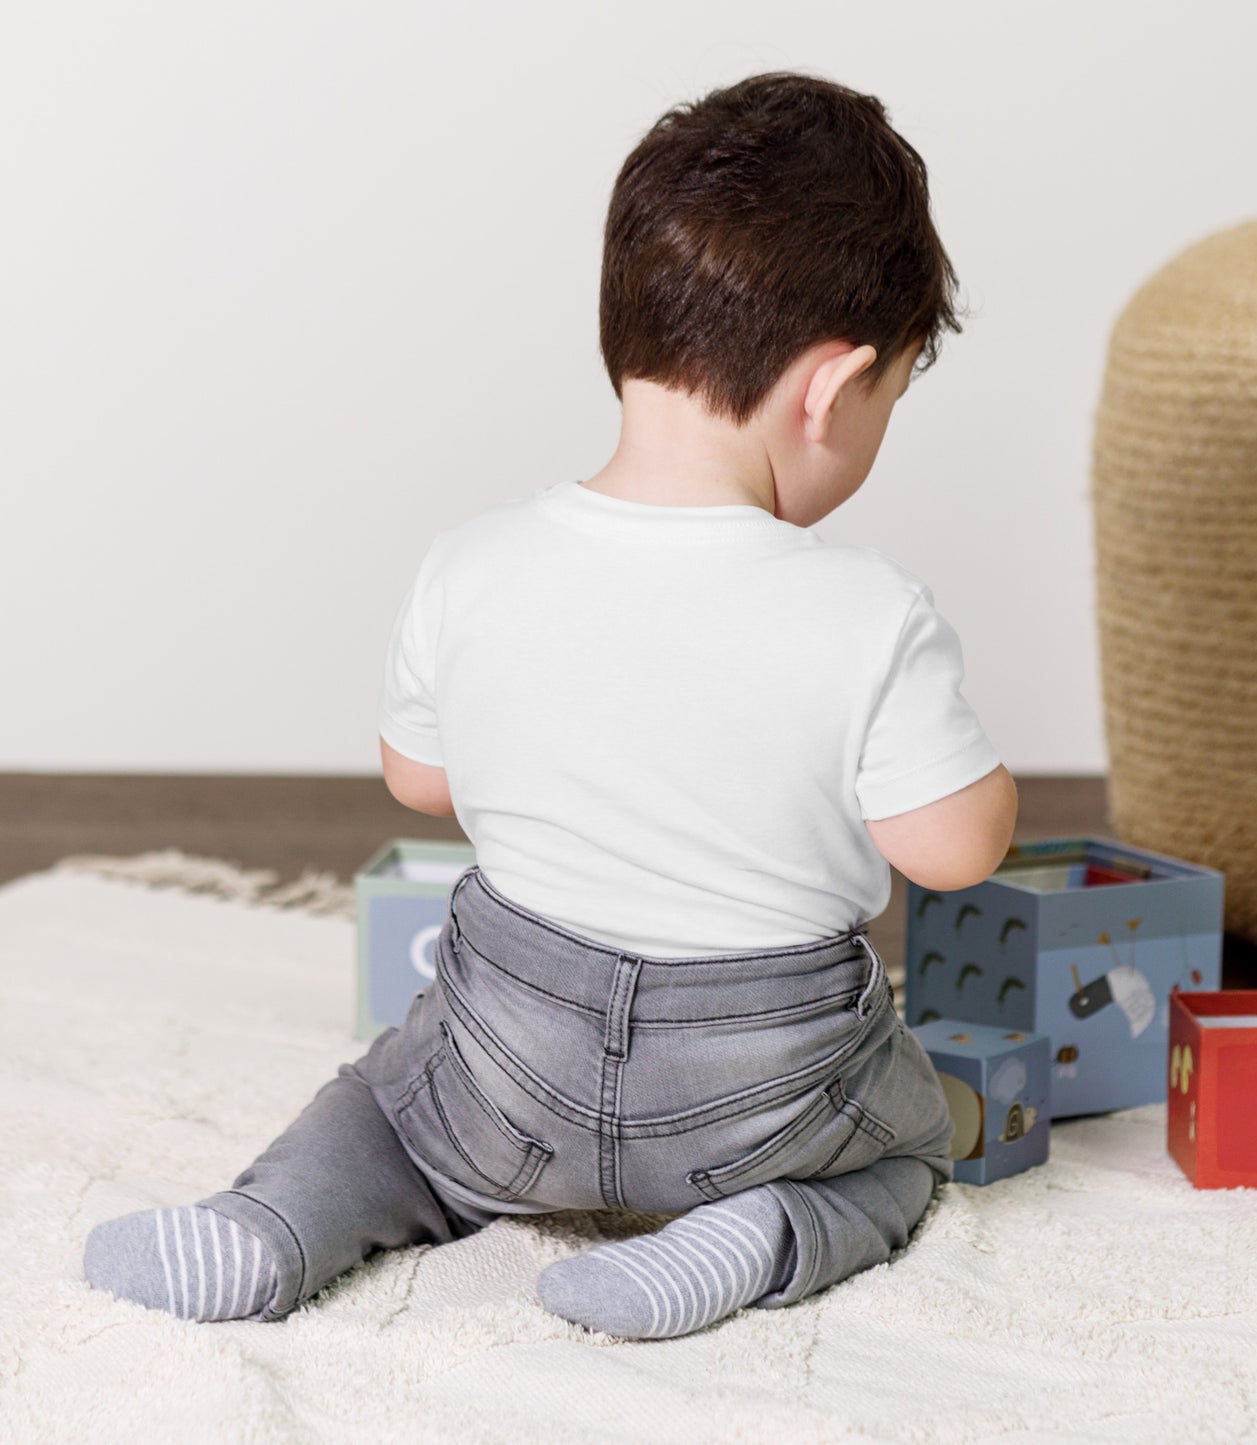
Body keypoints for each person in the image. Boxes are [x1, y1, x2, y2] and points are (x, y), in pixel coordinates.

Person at [82, 70, 1018, 1341]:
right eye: (890, 400)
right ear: (831, 389)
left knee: (383, 1108)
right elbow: (953, 849)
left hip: (502, 1066)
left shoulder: (475, 561)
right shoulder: (868, 611)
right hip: (757, 1093)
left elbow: (416, 778)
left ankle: (273, 1224)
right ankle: (760, 1229)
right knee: (906, 1142)